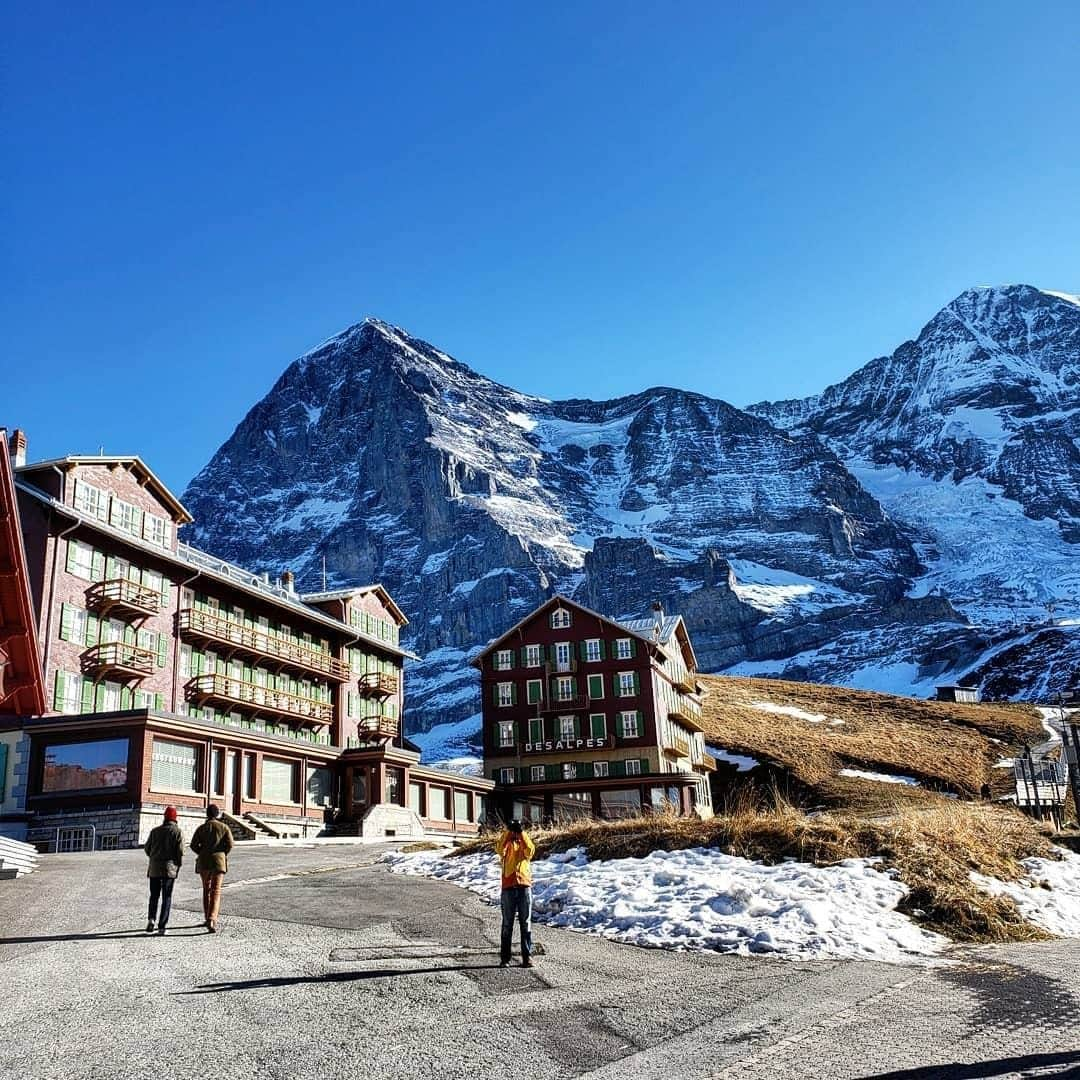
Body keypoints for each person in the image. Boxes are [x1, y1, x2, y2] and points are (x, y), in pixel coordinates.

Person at [189, 803, 234, 933]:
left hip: (203, 862)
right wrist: (222, 853)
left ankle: (206, 917)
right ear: (217, 814)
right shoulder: (224, 827)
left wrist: (201, 852)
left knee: (206, 889)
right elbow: (230, 844)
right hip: (218, 862)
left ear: (207, 814)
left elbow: (193, 845)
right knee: (216, 890)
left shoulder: (201, 828)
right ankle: (212, 919)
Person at [498, 818, 536, 968]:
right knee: (507, 924)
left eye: (516, 830)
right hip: (508, 887)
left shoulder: (524, 842)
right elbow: (500, 849)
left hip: (524, 886)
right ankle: (505, 958)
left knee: (525, 923)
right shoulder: (506, 842)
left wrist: (521, 833)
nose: (515, 833)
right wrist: (508, 831)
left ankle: (527, 957)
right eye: (514, 830)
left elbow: (530, 851)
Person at [143, 805, 184, 935]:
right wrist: (178, 865)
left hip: (154, 868)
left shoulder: (154, 831)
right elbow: (180, 851)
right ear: (175, 818)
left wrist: (154, 858)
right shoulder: (178, 832)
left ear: (164, 818)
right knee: (167, 896)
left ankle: (151, 919)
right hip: (169, 869)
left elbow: (147, 848)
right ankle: (162, 926)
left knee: (154, 895)